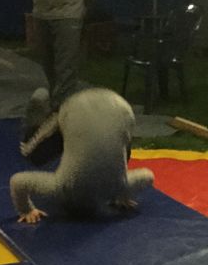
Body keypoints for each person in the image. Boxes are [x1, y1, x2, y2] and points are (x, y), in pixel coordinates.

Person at [10, 87, 154, 224]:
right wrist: (26, 210)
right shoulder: (61, 187)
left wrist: (123, 195)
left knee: (32, 153)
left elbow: (148, 176)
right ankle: (43, 123)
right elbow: (17, 181)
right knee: (32, 152)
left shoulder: (117, 187)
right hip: (91, 107)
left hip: (120, 108)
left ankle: (39, 123)